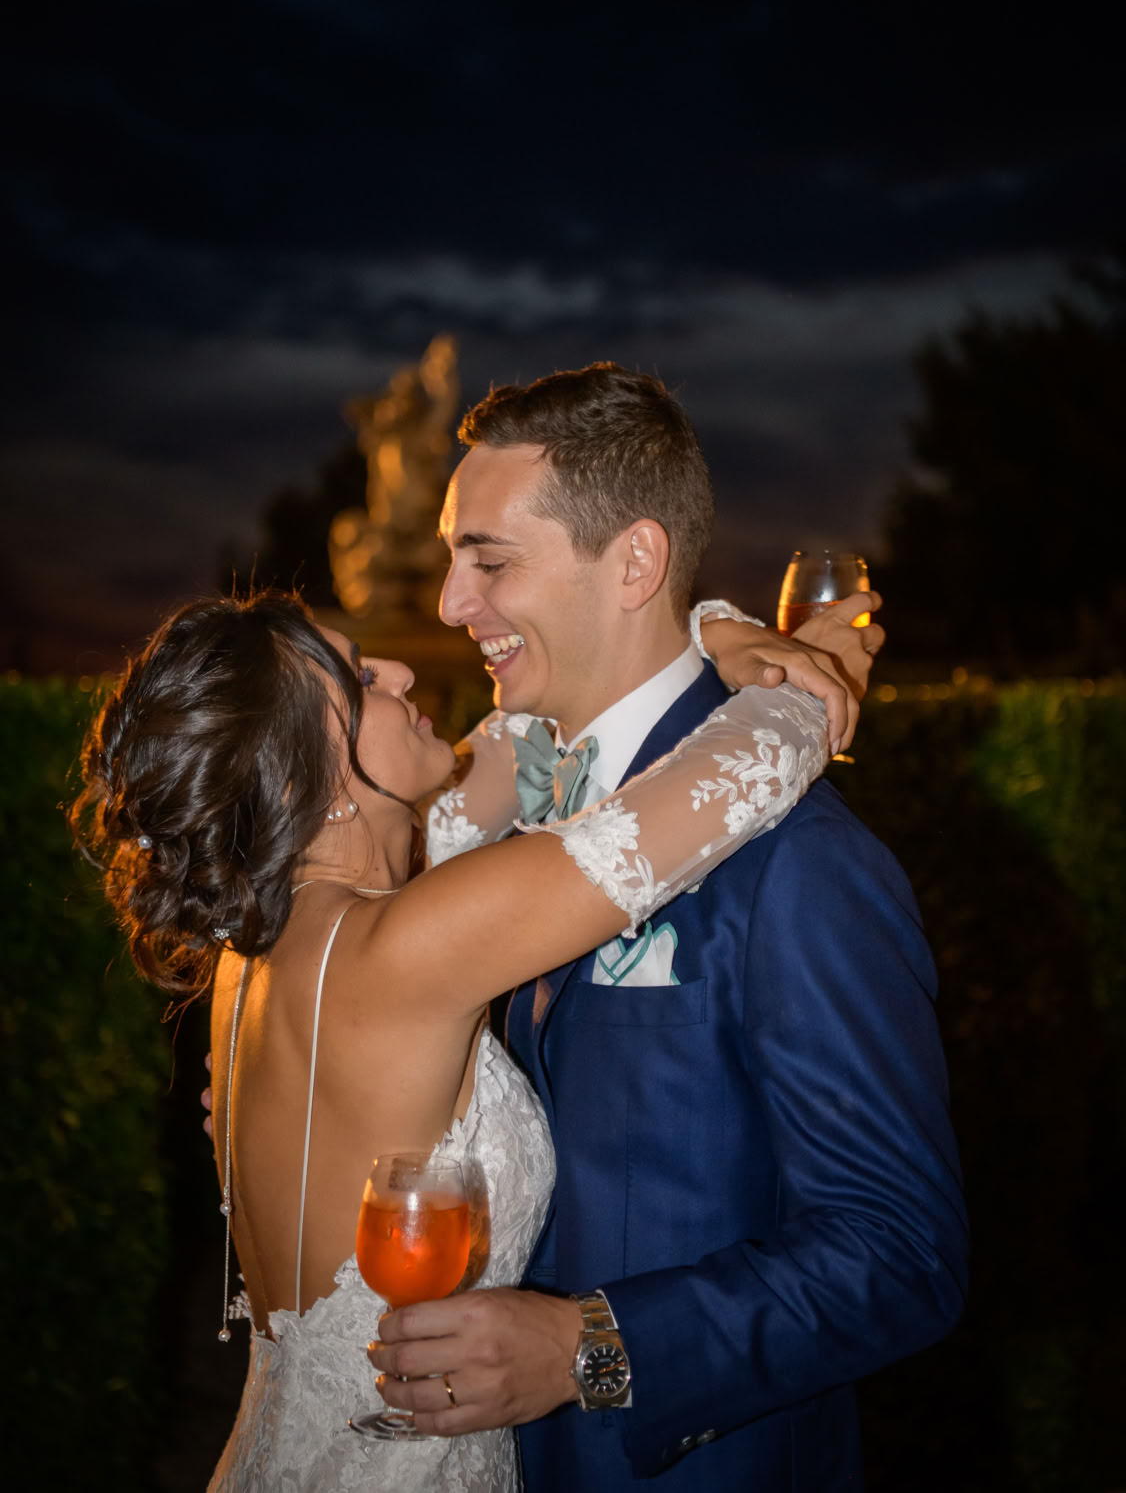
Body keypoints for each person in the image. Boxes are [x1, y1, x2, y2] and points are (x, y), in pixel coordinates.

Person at [73, 566, 851, 1492]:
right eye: (361, 680)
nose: (402, 672)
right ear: (306, 777)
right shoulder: (404, 949)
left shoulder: (266, 944)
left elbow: (527, 744)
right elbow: (744, 773)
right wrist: (812, 672)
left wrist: (709, 633)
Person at [369, 363, 969, 1491]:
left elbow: (902, 1254)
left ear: (636, 562)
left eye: (489, 561)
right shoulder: (507, 808)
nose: (450, 603)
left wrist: (590, 1347)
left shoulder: (800, 860)